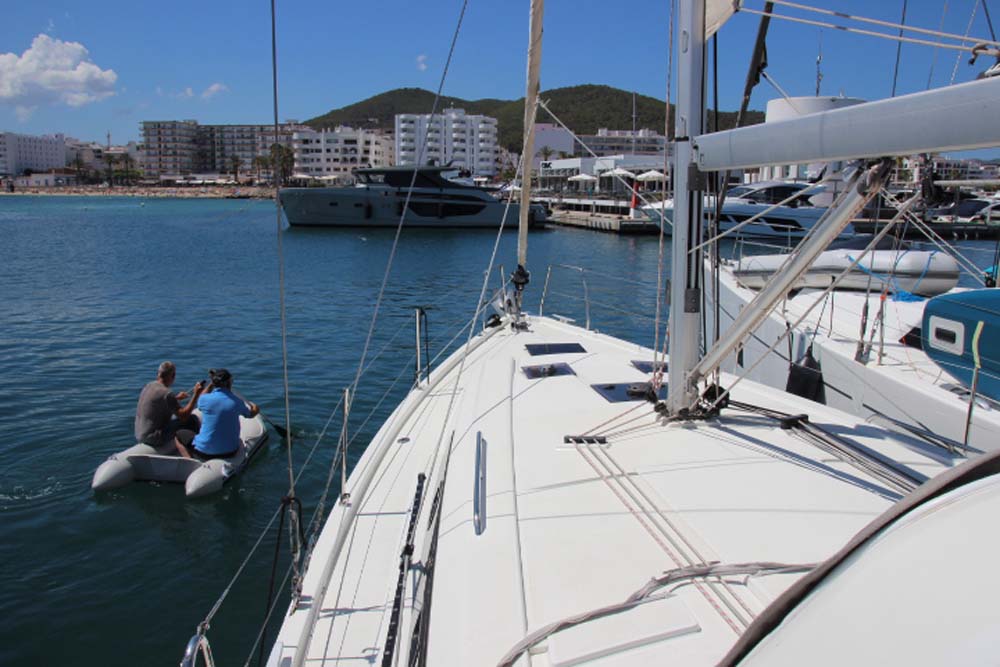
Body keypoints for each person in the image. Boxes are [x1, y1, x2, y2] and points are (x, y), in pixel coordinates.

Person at [175, 368, 259, 460]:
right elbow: (251, 414)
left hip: (203, 452)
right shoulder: (237, 402)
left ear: (214, 383)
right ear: (229, 382)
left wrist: (211, 383)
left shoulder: (204, 399)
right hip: (230, 452)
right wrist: (256, 409)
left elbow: (201, 397)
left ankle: (190, 460)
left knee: (178, 435)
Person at [134, 361, 205, 447]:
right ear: (173, 375)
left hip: (139, 434)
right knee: (192, 420)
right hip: (154, 437)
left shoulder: (149, 385)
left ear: (159, 373)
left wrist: (176, 398)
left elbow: (157, 400)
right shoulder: (167, 393)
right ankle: (197, 447)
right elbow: (184, 416)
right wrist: (196, 395)